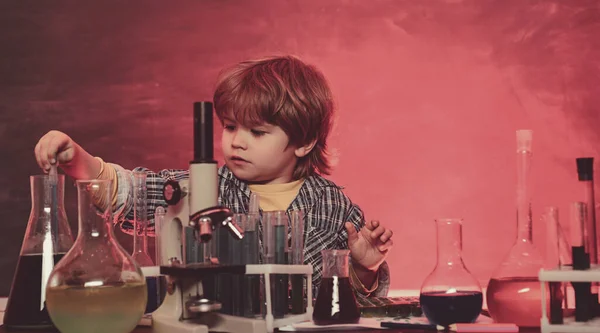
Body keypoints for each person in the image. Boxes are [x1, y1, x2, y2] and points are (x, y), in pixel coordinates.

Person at [34, 55, 393, 299]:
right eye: (231, 126)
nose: (237, 141)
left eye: (257, 132)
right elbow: (131, 193)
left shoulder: (333, 207)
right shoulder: (208, 187)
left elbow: (353, 299)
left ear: (304, 141)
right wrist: (77, 161)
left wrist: (366, 267)